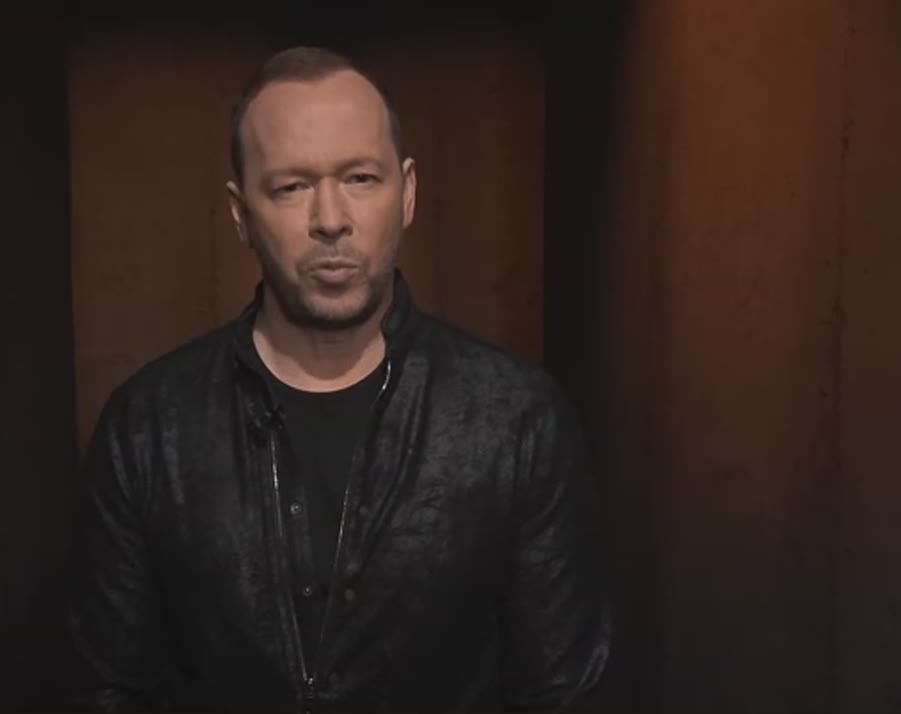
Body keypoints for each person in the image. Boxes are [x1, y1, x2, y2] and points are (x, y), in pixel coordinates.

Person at [63, 45, 611, 714]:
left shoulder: (516, 420)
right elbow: (105, 689)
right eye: (291, 187)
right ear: (241, 214)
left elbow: (563, 694)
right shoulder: (150, 429)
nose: (329, 219)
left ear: (407, 193)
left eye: (360, 178)